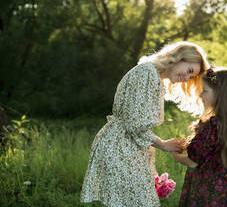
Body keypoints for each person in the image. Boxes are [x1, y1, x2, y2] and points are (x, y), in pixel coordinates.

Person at [80, 41, 209, 207]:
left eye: (191, 77)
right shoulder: (147, 73)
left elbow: (135, 122)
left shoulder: (153, 76)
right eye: (189, 71)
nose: (186, 78)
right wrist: (162, 144)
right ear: (178, 58)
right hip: (121, 148)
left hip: (127, 147)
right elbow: (134, 123)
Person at [171, 68, 227, 207]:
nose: (200, 95)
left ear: (220, 94)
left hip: (207, 191)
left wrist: (175, 154)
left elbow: (193, 162)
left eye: (205, 91)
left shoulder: (212, 125)